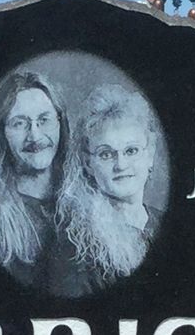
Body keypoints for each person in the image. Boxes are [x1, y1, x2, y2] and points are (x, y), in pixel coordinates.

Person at [0, 70, 75, 289]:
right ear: (1, 133)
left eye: (44, 120)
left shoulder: (89, 203)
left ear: (60, 125)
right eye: (19, 123)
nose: (34, 136)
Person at [51, 85, 161, 292]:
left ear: (150, 153)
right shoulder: (77, 247)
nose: (120, 164)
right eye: (106, 154)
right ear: (87, 163)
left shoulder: (160, 220)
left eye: (131, 150)